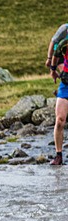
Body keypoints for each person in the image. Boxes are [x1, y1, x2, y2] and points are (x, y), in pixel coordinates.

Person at [46, 24, 68, 165]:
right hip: (66, 82)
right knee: (60, 120)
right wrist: (53, 69)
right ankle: (58, 155)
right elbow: (55, 53)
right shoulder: (64, 41)